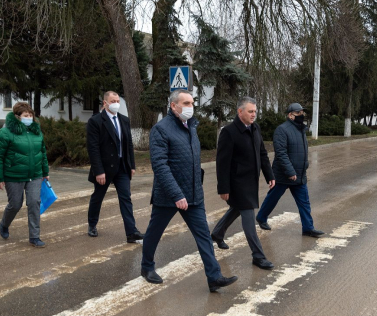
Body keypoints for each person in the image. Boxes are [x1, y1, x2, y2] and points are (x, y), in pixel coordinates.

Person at [141, 90, 237, 292]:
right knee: (154, 232)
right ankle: (147, 267)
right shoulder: (161, 129)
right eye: (186, 103)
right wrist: (176, 194)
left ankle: (214, 277)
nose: (190, 107)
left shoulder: (191, 126)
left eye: (192, 103)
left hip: (193, 194)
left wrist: (195, 187)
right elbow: (160, 166)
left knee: (203, 235)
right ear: (173, 105)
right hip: (169, 195)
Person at [211, 97, 276, 270]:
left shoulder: (255, 128)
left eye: (255, 111)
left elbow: (262, 153)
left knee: (236, 209)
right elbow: (222, 163)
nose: (254, 114)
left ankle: (217, 233)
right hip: (237, 183)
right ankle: (258, 256)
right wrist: (223, 188)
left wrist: (269, 174)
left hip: (251, 181)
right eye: (250, 111)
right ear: (240, 112)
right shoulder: (229, 132)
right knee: (248, 217)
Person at [256, 103, 324, 238]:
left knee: (304, 202)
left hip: (299, 174)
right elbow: (281, 153)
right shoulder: (282, 130)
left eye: (302, 113)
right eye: (298, 113)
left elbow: (302, 151)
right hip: (283, 174)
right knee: (273, 198)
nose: (301, 115)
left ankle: (308, 228)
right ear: (290, 115)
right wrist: (290, 171)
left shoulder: (301, 129)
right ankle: (261, 217)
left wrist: (305, 164)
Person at [86, 91, 143, 243]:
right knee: (98, 197)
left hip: (122, 167)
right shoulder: (96, 121)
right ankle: (92, 224)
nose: (116, 104)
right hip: (104, 169)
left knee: (126, 198)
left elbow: (128, 144)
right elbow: (93, 148)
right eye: (113, 101)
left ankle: (131, 232)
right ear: (105, 103)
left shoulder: (124, 120)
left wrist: (131, 165)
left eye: (118, 101)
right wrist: (98, 171)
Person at [0, 103, 50, 247]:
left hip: (35, 175)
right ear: (17, 117)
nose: (29, 118)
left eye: (30, 115)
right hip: (13, 175)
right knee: (15, 204)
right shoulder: (6, 132)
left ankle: (35, 237)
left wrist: (45, 172)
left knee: (34, 203)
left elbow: (42, 152)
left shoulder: (36, 131)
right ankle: (4, 224)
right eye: (25, 115)